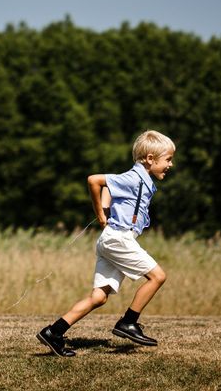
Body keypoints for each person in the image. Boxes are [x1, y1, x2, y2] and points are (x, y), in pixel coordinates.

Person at [37, 130, 175, 357]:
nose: (170, 164)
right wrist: (101, 214)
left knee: (98, 297)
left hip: (113, 240)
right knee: (158, 276)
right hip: (118, 238)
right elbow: (95, 180)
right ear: (150, 159)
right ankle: (128, 322)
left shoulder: (140, 180)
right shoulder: (133, 178)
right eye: (168, 159)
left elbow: (109, 188)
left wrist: (107, 209)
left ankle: (54, 332)